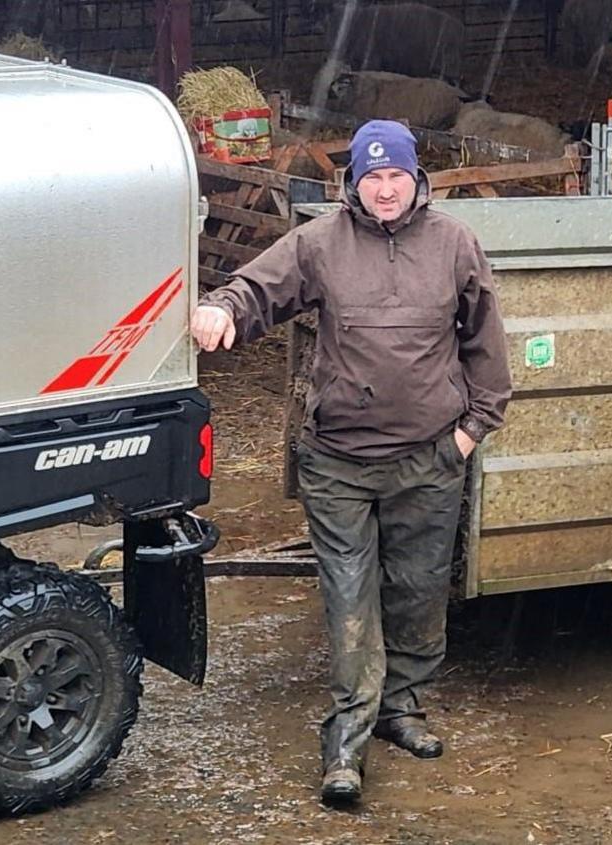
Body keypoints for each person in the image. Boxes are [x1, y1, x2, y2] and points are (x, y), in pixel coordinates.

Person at [191, 119, 512, 805]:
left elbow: (486, 344)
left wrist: (472, 430)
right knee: (349, 596)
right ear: (353, 184)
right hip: (338, 460)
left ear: (416, 177)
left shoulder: (455, 244)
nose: (386, 188)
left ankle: (404, 707)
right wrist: (221, 308)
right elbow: (257, 288)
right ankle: (347, 739)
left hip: (428, 457)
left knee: (420, 588)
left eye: (396, 175)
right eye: (373, 177)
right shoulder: (320, 243)